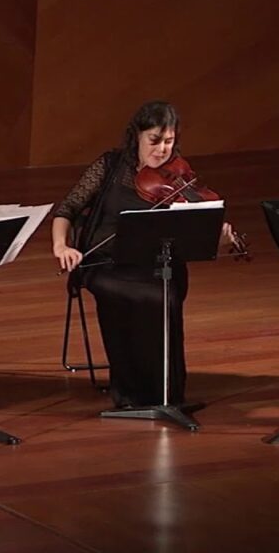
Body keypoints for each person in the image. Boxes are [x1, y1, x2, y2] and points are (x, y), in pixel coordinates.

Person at [52, 100, 237, 409]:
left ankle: (168, 396)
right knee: (135, 296)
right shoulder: (110, 165)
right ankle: (130, 394)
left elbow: (193, 235)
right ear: (136, 135)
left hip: (156, 265)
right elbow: (67, 209)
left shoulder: (178, 175)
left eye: (169, 141)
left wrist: (217, 237)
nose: (162, 149)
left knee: (166, 294)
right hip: (106, 264)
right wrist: (62, 246)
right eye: (155, 140)